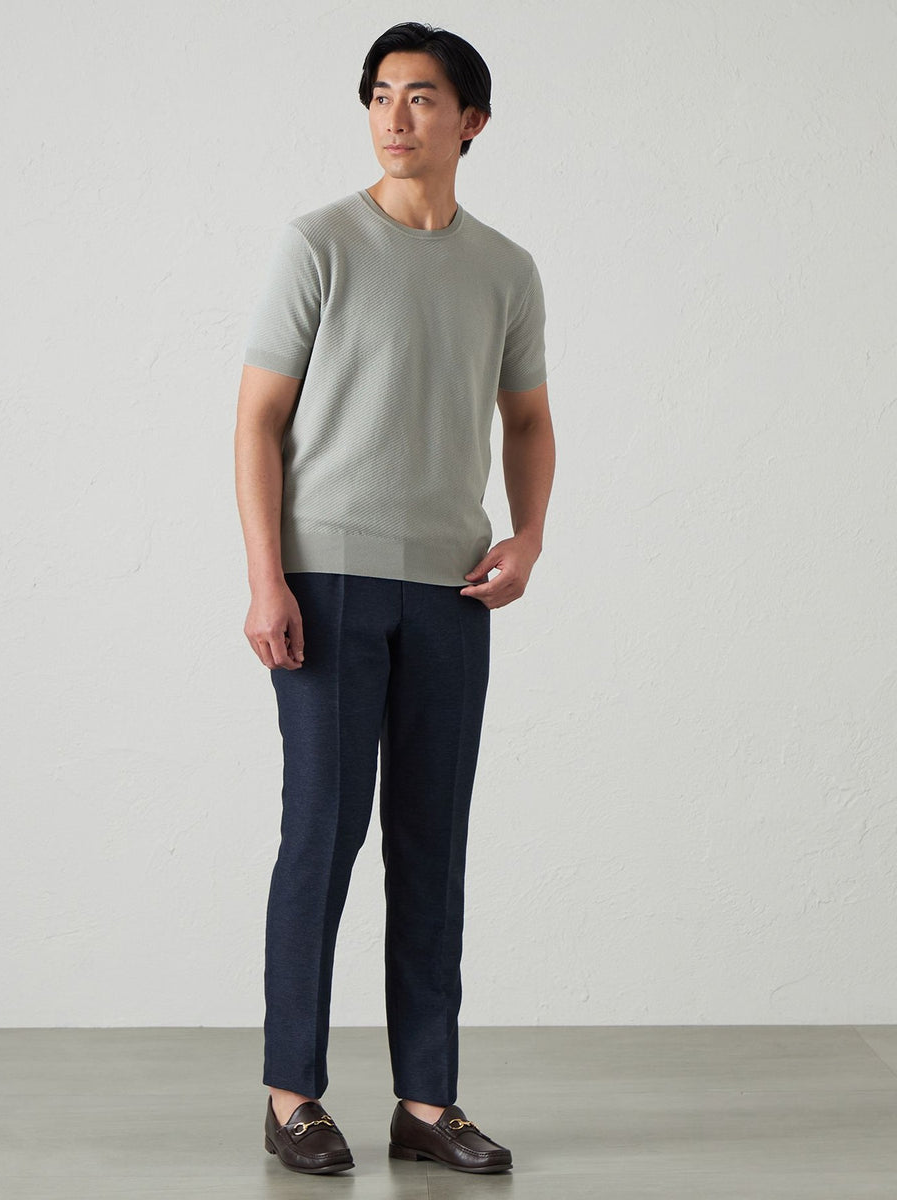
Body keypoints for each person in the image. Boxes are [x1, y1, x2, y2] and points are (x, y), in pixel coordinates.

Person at [234, 20, 554, 1176]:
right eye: (379, 94)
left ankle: (427, 1103)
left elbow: (527, 418)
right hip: (324, 580)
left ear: (471, 120)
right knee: (322, 833)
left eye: (420, 96)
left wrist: (527, 539)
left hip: (451, 589)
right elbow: (257, 420)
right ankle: (291, 1097)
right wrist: (266, 577)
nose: (394, 115)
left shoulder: (505, 268)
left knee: (432, 843)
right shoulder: (318, 242)